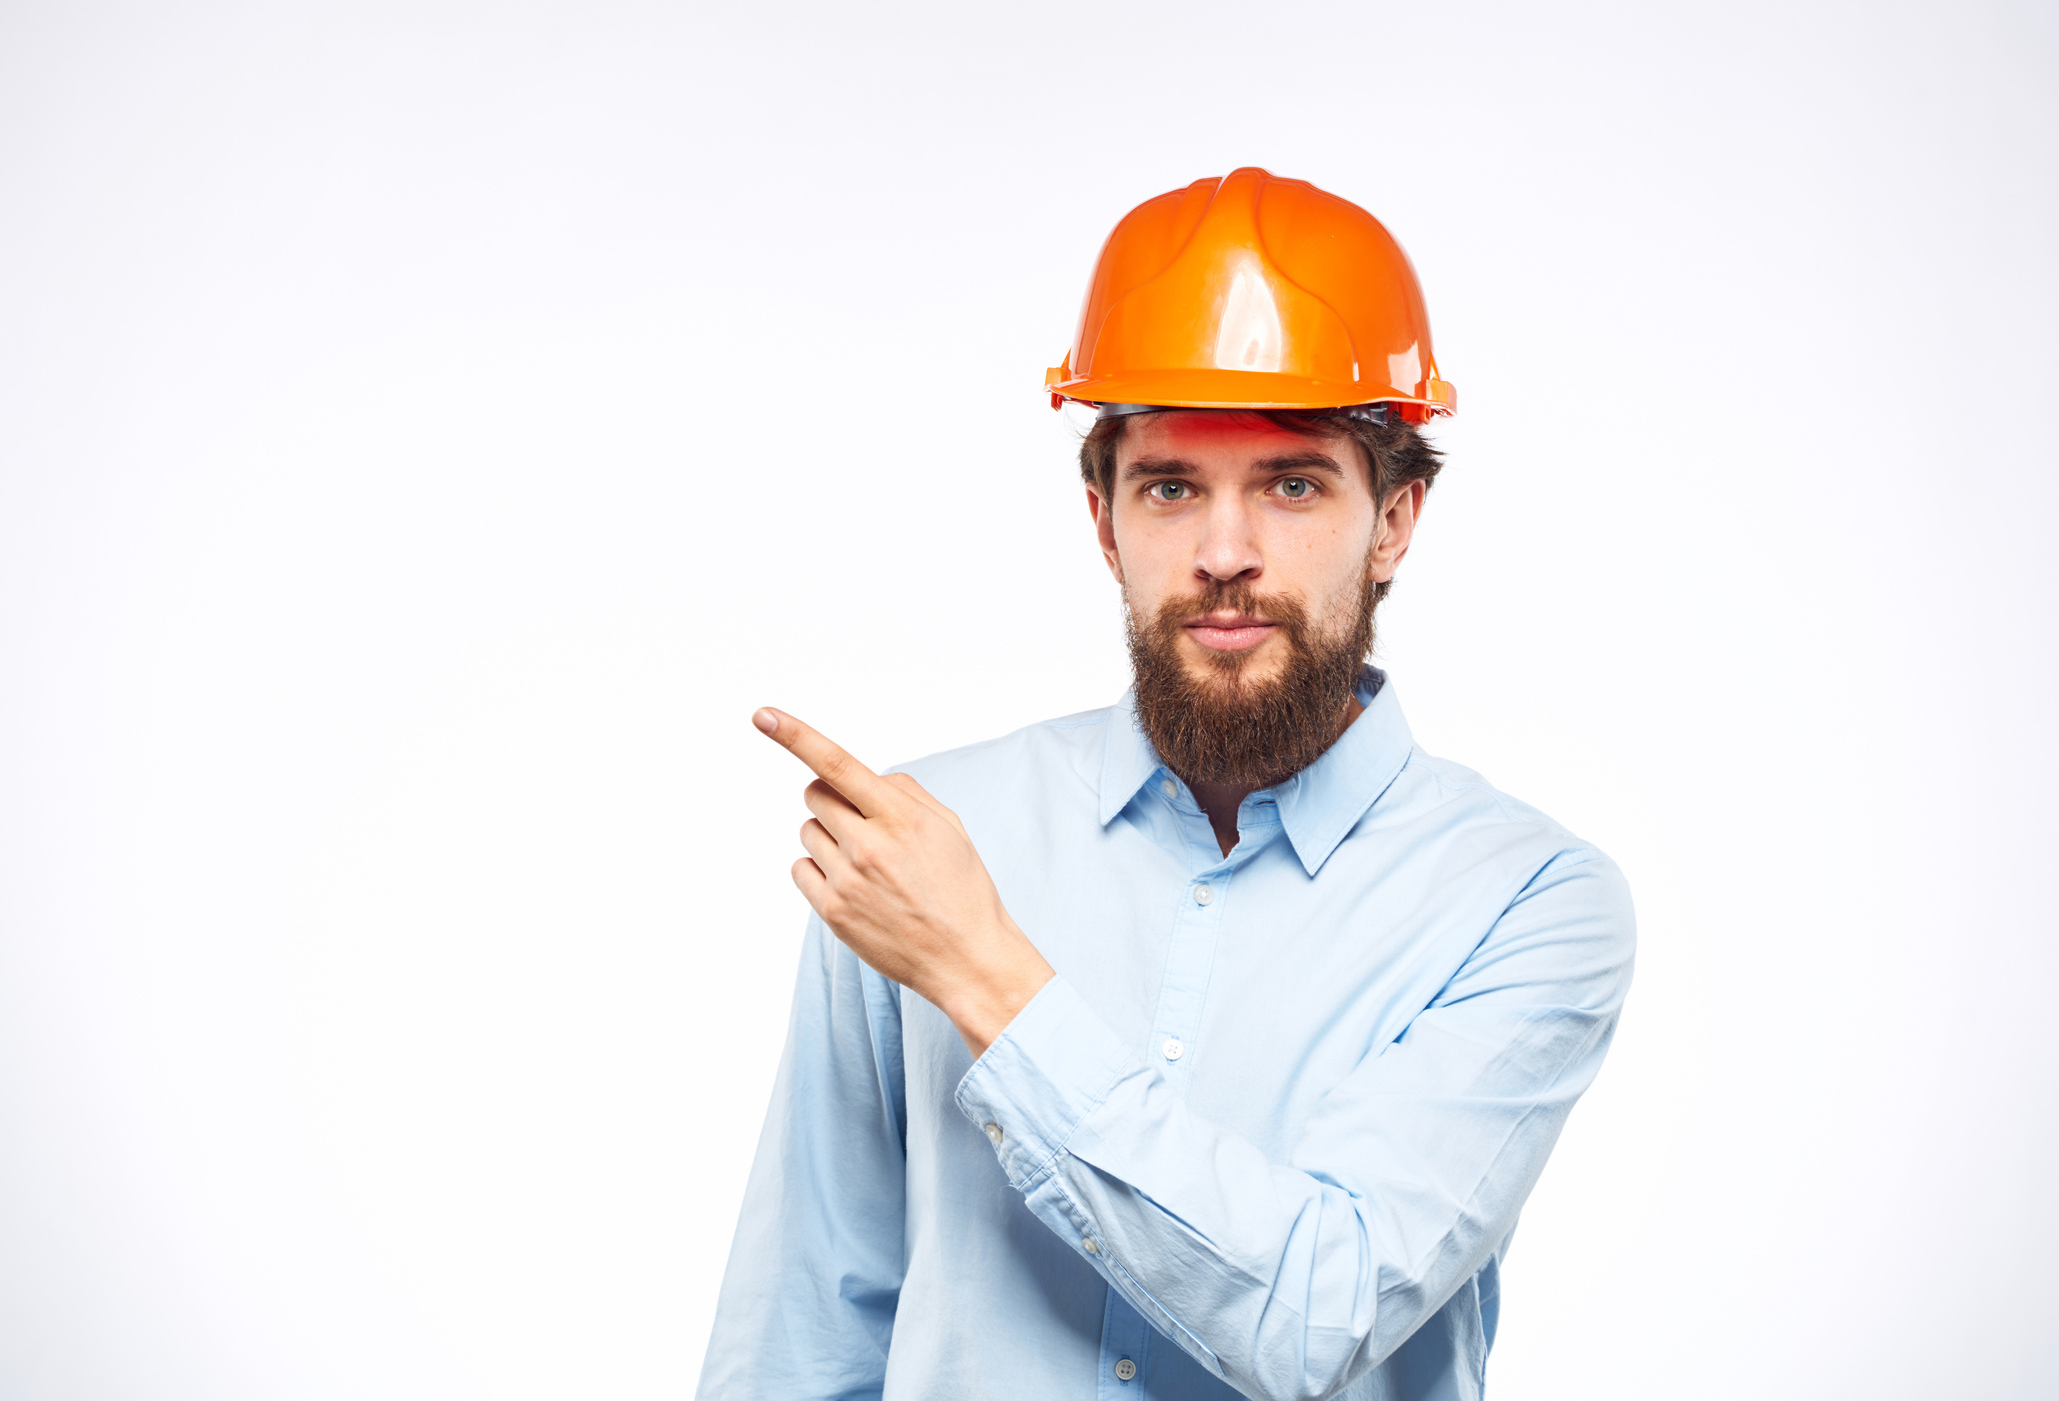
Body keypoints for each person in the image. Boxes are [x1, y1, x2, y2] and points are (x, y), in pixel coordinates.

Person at [695, 167, 1634, 1401]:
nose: (1225, 554)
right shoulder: (920, 845)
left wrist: (983, 976)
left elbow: (1321, 1314)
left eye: (1291, 485)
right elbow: (806, 1333)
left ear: (1396, 521)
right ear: (1103, 520)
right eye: (1171, 486)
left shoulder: (1524, 903)